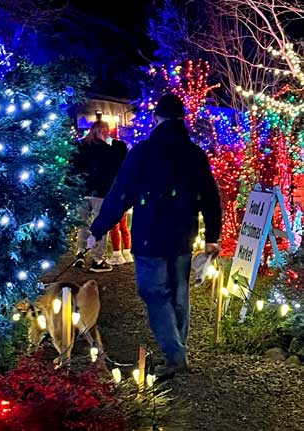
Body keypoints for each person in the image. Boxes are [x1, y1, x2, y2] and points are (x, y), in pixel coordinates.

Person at [88, 94, 222, 377]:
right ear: (182, 119)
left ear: (156, 118)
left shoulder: (142, 153)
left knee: (154, 293)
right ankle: (177, 350)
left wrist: (98, 229)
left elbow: (120, 195)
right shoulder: (194, 154)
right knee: (178, 294)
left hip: (150, 236)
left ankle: (175, 355)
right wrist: (213, 235)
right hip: (182, 235)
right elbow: (211, 197)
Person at [69, 120, 115, 272]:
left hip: (82, 192)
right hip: (100, 193)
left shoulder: (80, 147)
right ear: (103, 132)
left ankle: (80, 254)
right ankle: (97, 260)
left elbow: (72, 169)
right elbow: (112, 173)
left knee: (83, 224)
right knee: (99, 226)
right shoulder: (108, 151)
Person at [107, 139, 133, 265]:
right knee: (123, 226)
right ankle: (127, 252)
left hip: (116, 198)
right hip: (126, 199)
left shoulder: (113, 164)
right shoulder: (127, 164)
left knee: (114, 227)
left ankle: (117, 254)